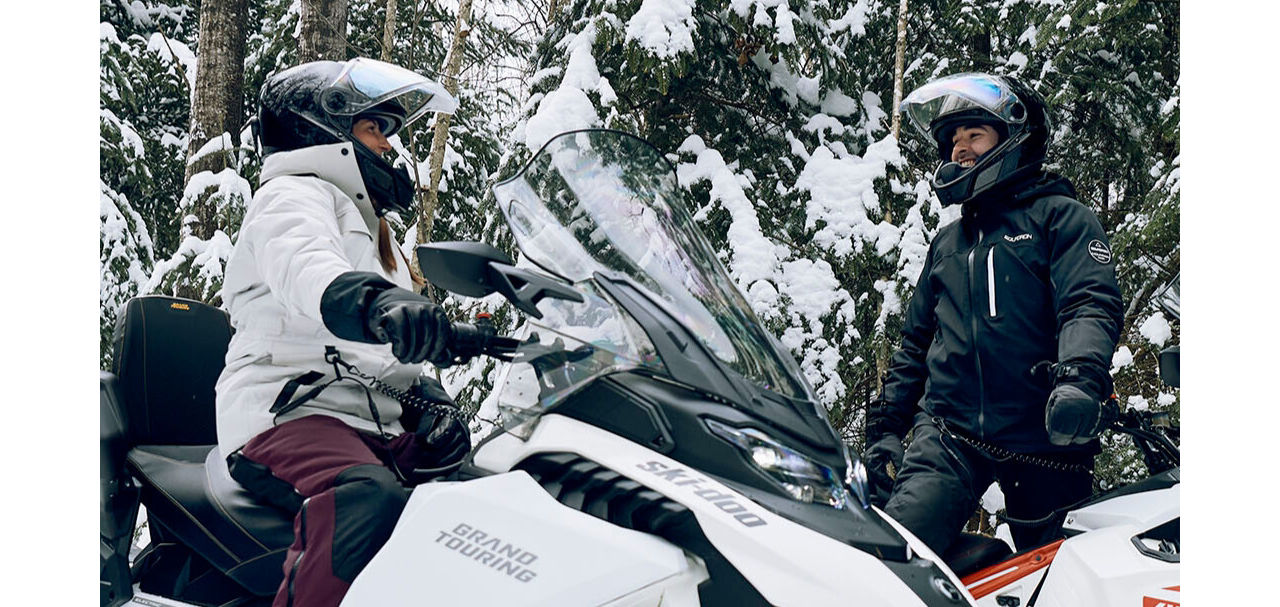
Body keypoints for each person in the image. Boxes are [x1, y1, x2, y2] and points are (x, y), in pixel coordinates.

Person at [214, 57, 469, 607]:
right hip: (283, 413)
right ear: (321, 127)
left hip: (363, 421)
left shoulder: (376, 232)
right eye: (375, 127)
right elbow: (308, 269)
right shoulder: (291, 197)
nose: (388, 145)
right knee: (365, 498)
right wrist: (379, 302)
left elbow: (384, 356)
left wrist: (428, 397)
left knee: (480, 494)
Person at [864, 72, 1124, 557]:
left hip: (1045, 431)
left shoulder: (1060, 217)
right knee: (897, 557)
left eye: (973, 135)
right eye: (952, 142)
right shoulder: (947, 244)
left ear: (1012, 138)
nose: (959, 150)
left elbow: (1088, 301)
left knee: (1056, 576)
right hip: (948, 429)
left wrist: (1080, 380)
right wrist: (884, 431)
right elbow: (915, 345)